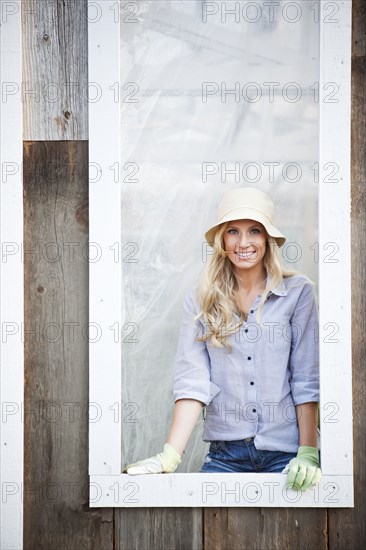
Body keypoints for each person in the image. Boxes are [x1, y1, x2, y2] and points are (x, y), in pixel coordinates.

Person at [123, 187, 321, 492]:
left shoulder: (298, 293)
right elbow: (193, 383)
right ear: (222, 240)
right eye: (233, 232)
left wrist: (308, 451)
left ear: (267, 239)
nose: (243, 243)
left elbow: (306, 379)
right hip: (225, 456)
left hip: (287, 456)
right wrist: (169, 456)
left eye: (254, 231)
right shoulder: (200, 300)